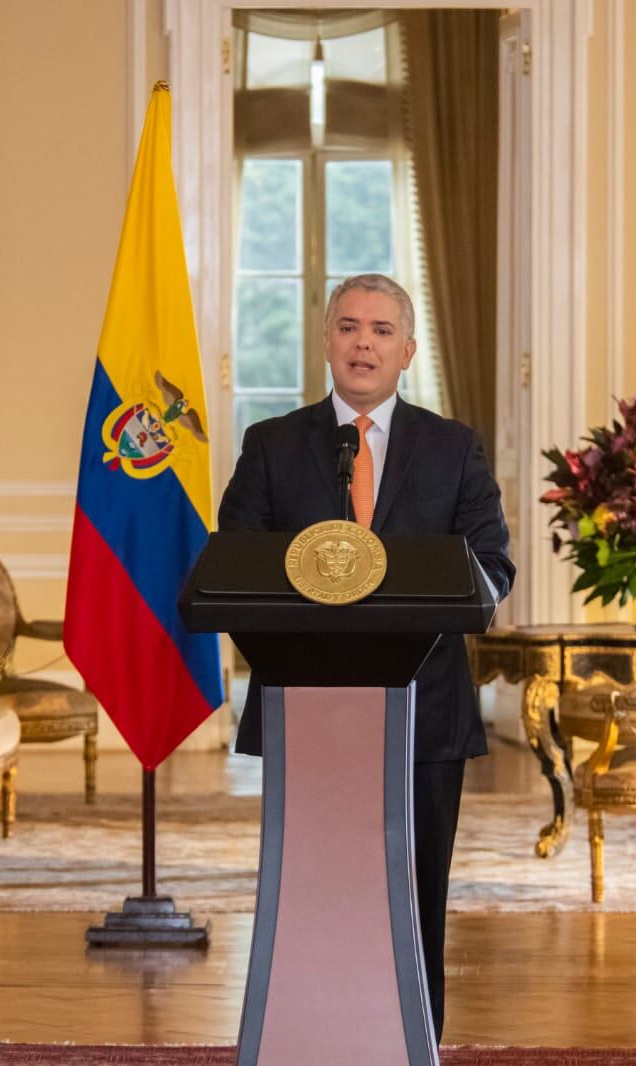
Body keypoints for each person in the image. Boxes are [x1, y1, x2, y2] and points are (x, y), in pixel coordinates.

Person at [218, 273, 513, 1039]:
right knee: (315, 895)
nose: (362, 343)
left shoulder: (453, 449)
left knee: (416, 898)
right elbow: (236, 565)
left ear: (408, 350)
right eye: (348, 327)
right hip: (307, 710)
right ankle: (308, 1040)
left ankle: (415, 1044)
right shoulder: (273, 445)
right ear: (325, 343)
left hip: (426, 715)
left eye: (381, 330)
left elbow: (492, 567)